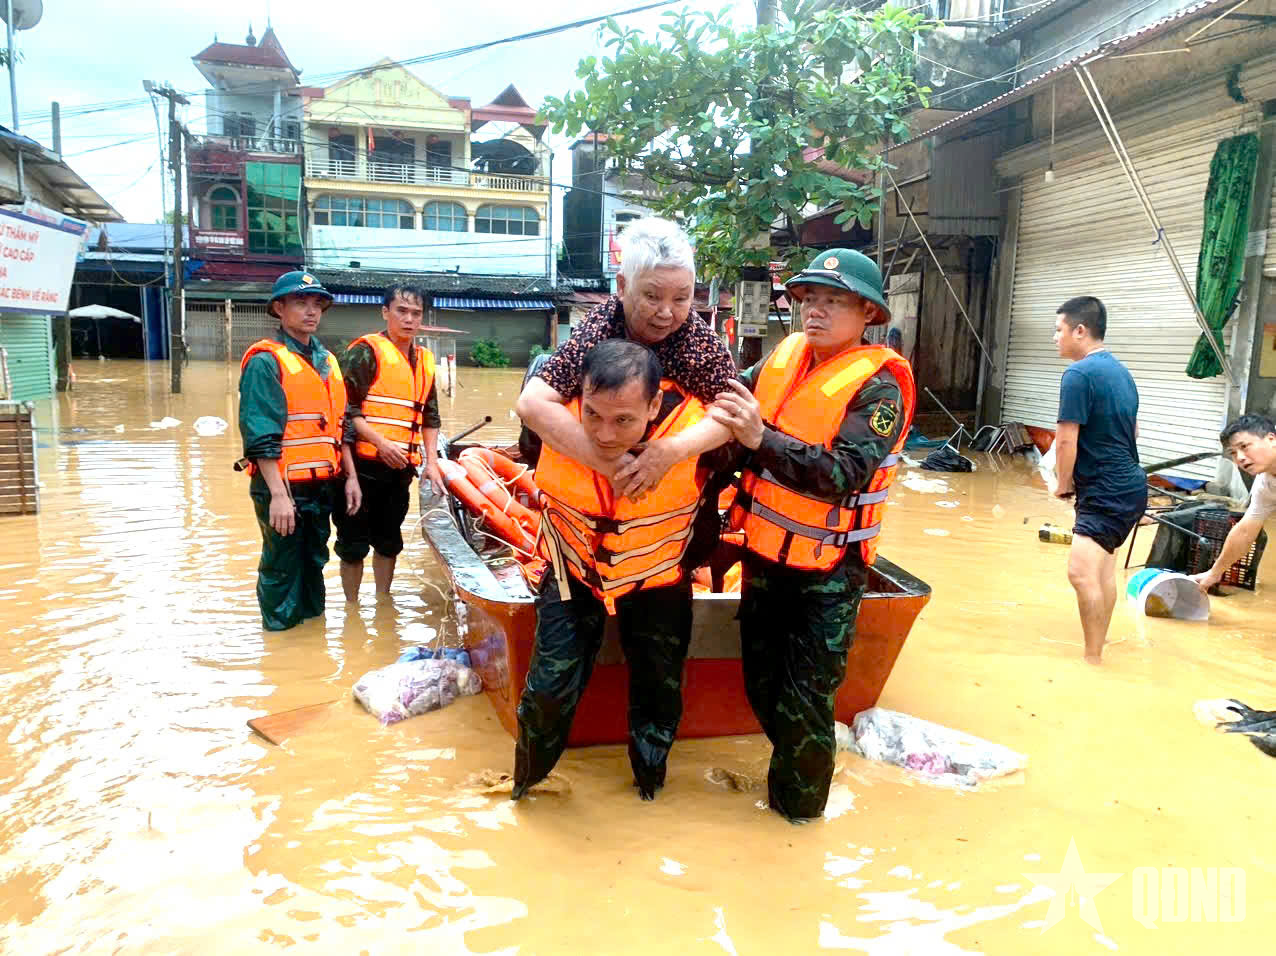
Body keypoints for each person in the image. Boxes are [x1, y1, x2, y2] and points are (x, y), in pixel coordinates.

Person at [709, 249, 915, 822]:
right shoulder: (785, 356)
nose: (816, 311)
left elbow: (843, 475)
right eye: (810, 299)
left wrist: (760, 439)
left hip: (828, 576)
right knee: (762, 687)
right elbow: (731, 403)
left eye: (834, 301)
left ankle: (798, 824)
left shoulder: (882, 387)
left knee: (805, 702)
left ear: (867, 313)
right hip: (765, 560)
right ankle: (807, 772)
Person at [513, 340, 729, 802]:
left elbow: (747, 447)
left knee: (659, 695)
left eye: (623, 421)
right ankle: (524, 789)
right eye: (593, 415)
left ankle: (649, 792)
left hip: (659, 581)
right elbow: (530, 439)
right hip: (571, 572)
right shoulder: (551, 421)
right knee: (547, 691)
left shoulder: (700, 431)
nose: (604, 435)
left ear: (653, 405)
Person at [516, 217, 736, 499]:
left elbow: (732, 413)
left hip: (675, 494)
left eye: (681, 299)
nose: (666, 312)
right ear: (622, 286)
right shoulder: (597, 331)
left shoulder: (700, 343)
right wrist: (608, 464)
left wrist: (672, 450)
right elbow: (531, 403)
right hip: (589, 485)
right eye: (652, 296)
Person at [237, 271, 362, 631]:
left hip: (322, 484)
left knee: (314, 563)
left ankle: (311, 641)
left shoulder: (327, 360)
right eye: (300, 303)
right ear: (279, 308)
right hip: (283, 486)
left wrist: (351, 477)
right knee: (281, 567)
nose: (311, 311)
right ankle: (279, 642)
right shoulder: (266, 361)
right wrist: (278, 496)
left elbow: (341, 426)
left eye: (317, 304)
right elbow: (260, 433)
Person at [1050, 296, 1146, 664]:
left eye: (1059, 330)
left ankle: (1092, 661)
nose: (1055, 337)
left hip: (1106, 488)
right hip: (1129, 484)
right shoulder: (1121, 372)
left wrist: (1063, 483)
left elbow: (1066, 438)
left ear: (1079, 330)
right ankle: (1098, 652)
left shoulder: (1078, 375)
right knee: (1103, 572)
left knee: (1080, 573)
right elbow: (1133, 430)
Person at [335, 283, 443, 602]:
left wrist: (432, 463)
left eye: (416, 313)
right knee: (353, 545)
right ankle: (352, 609)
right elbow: (345, 409)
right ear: (385, 312)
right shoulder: (365, 352)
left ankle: (383, 602)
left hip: (399, 471)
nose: (409, 319)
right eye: (401, 311)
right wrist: (380, 442)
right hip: (360, 466)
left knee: (389, 541)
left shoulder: (425, 361)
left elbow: (430, 416)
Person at [1190, 414, 1276, 592]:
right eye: (1233, 453)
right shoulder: (1265, 484)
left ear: (1271, 439)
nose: (1240, 458)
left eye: (1244, 447)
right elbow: (1245, 531)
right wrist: (1214, 573)